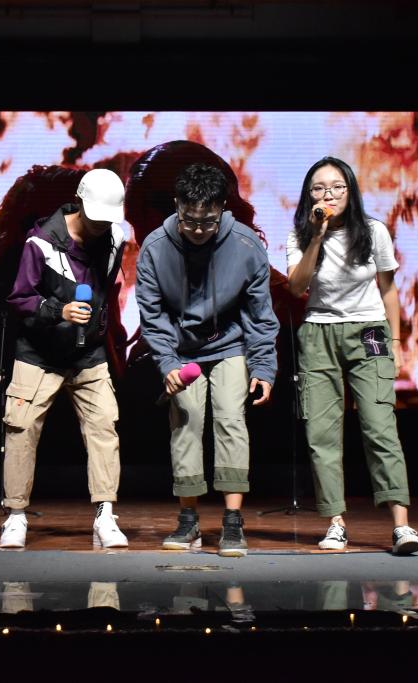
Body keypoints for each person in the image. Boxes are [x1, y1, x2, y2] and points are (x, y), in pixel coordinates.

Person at [136, 162, 279, 557]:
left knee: (231, 419)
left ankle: (232, 521)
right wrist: (167, 363)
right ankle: (188, 519)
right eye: (190, 220)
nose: (198, 230)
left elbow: (259, 314)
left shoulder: (246, 246)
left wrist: (264, 367)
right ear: (177, 205)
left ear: (222, 209)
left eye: (208, 222)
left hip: (230, 344)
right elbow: (152, 315)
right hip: (182, 350)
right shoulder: (155, 248)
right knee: (186, 421)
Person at [286, 156, 418, 555]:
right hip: (319, 333)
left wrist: (395, 343)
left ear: (350, 190)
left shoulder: (374, 231)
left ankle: (401, 526)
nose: (328, 194)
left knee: (380, 426)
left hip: (370, 333)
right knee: (321, 434)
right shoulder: (299, 234)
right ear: (309, 195)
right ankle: (335, 524)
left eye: (336, 187)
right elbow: (296, 287)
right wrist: (316, 237)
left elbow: (388, 289)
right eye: (319, 188)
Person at [0, 168, 129, 549]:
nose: (102, 226)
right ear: (79, 203)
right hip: (39, 354)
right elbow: (20, 298)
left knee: (104, 427)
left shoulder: (115, 237)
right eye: (96, 217)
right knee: (21, 430)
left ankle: (105, 515)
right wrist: (60, 311)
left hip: (88, 353)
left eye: (107, 219)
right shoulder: (40, 244)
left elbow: (106, 288)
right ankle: (16, 516)